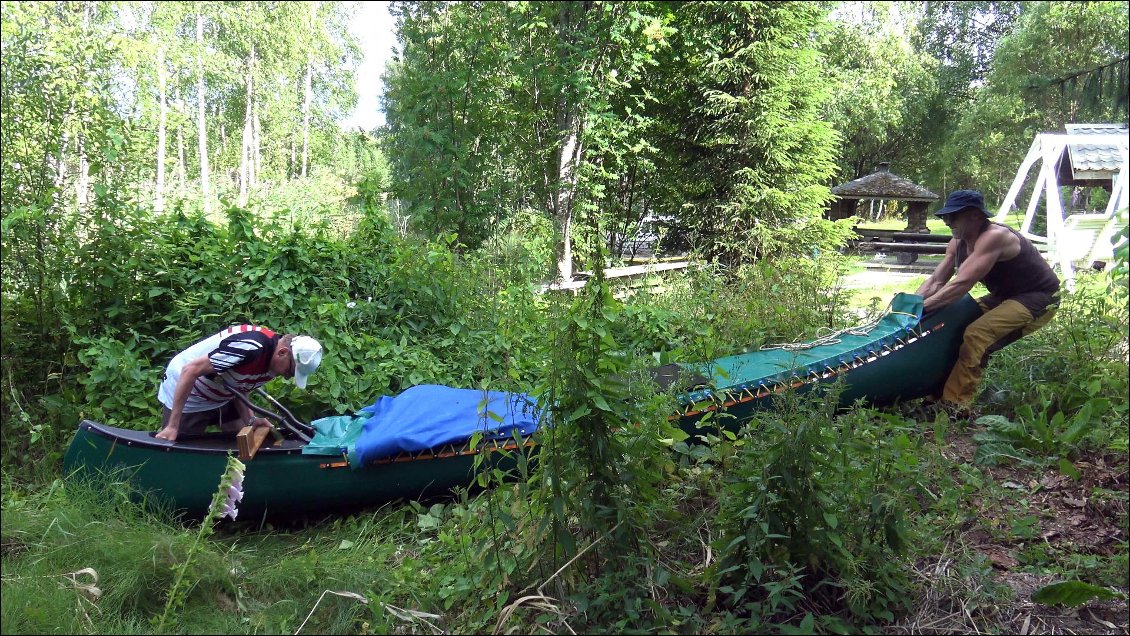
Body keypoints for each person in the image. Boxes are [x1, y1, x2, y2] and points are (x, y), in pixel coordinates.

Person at [915, 189, 1060, 413]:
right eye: (945, 216)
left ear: (975, 215)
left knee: (977, 334)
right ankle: (936, 394)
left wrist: (922, 309)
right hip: (1004, 296)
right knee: (951, 325)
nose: (947, 221)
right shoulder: (958, 242)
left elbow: (962, 284)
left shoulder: (995, 237)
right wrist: (911, 306)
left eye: (953, 216)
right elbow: (936, 280)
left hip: (1039, 299)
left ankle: (955, 406)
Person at [154, 325, 322, 442]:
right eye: (291, 371)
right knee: (178, 446)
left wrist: (250, 419)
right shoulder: (249, 347)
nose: (288, 377)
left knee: (244, 440)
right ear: (283, 353)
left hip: (222, 391)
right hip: (191, 390)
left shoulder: (274, 363)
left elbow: (241, 383)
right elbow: (190, 370)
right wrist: (173, 425)